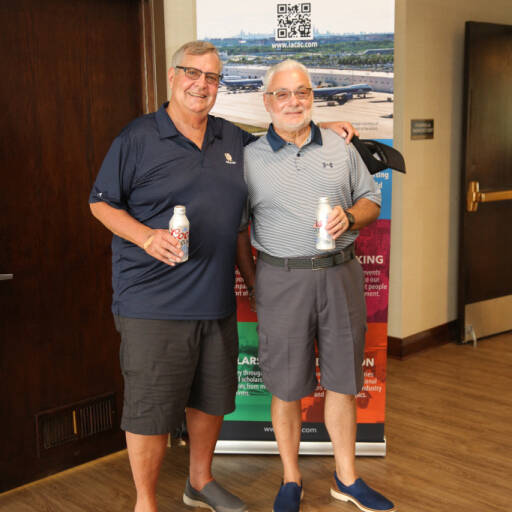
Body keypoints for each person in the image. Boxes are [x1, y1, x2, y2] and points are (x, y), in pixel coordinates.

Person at [89, 41, 356, 512]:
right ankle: (145, 502)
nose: (201, 84)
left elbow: (278, 134)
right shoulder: (137, 138)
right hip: (152, 302)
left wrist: (321, 128)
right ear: (173, 77)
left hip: (214, 299)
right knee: (150, 410)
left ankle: (200, 482)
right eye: (192, 73)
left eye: (212, 77)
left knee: (210, 399)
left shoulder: (230, 138)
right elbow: (100, 203)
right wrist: (147, 238)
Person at [237, 59, 396, 512]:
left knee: (343, 380)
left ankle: (346, 478)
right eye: (282, 94)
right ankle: (291, 479)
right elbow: (238, 229)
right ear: (267, 101)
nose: (293, 101)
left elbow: (370, 199)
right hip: (280, 278)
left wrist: (350, 216)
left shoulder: (340, 146)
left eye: (301, 92)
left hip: (340, 273)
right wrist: (255, 281)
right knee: (286, 387)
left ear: (313, 96)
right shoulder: (249, 157)